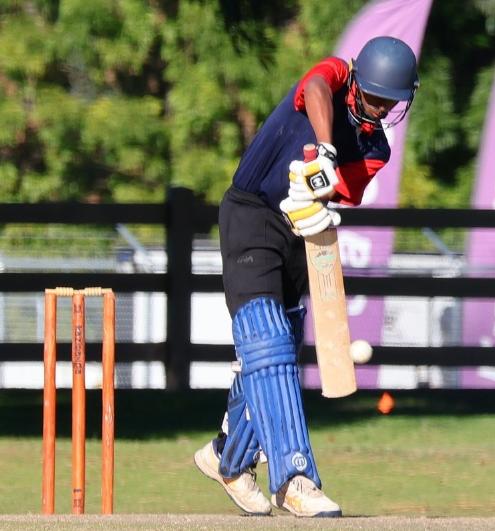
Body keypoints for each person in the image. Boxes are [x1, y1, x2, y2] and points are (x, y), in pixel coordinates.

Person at [194, 36, 419, 518]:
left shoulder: (376, 149)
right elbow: (314, 87)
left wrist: (317, 196)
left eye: (391, 102)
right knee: (267, 339)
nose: (381, 109)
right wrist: (326, 150)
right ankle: (295, 479)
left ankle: (226, 456)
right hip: (251, 213)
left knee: (276, 352)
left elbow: (339, 190)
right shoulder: (334, 76)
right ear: (356, 81)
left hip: (300, 231)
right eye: (375, 96)